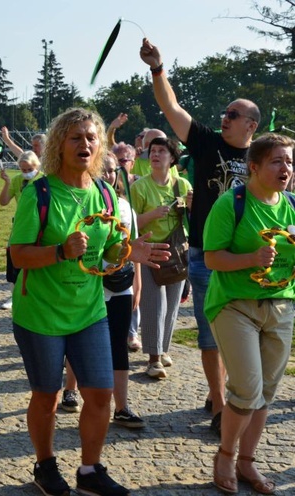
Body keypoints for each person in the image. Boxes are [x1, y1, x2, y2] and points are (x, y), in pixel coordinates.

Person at [9, 107, 167, 496]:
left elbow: (109, 250)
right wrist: (60, 251)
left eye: (91, 138)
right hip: (41, 311)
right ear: (60, 144)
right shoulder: (40, 193)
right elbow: (18, 255)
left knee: (100, 392)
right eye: (76, 137)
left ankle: (90, 471)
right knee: (46, 395)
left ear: (100, 147)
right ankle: (45, 465)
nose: (85, 144)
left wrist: (130, 252)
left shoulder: (104, 193)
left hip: (89, 311)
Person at [140, 37, 260, 434]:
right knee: (210, 333)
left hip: (250, 261)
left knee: (243, 334)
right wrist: (158, 68)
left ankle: (230, 392)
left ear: (251, 125)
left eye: (233, 114)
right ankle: (219, 403)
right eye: (224, 112)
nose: (224, 117)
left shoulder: (259, 158)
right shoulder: (206, 142)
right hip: (205, 256)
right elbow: (170, 107)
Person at [203, 133, 294, 495]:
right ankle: (225, 455)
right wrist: (251, 259)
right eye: (276, 161)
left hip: (281, 306)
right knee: (247, 388)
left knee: (267, 393)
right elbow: (212, 258)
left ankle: (247, 463)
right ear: (254, 167)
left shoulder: (291, 206)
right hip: (234, 305)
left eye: (289, 161)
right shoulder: (232, 204)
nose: (285, 168)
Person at [131, 137, 192, 379]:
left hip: (177, 249)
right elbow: (131, 223)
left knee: (172, 304)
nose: (155, 155)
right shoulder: (139, 187)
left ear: (173, 158)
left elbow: (193, 219)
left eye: (161, 151)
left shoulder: (183, 185)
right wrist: (152, 215)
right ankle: (153, 359)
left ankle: (163, 349)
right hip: (149, 250)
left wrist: (191, 207)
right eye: (152, 151)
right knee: (154, 304)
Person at [101, 152, 144, 429]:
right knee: (82, 344)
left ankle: (122, 407)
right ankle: (71, 389)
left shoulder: (126, 208)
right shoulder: (82, 203)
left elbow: (134, 247)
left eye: (111, 170)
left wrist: (136, 284)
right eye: (101, 170)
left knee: (118, 343)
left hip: (120, 285)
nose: (107, 175)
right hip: (88, 286)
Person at [0, 150, 43, 310]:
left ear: (36, 166)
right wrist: (7, 183)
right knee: (14, 260)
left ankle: (36, 295)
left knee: (36, 261)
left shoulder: (43, 179)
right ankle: (14, 295)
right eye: (23, 170)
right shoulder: (18, 180)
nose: (26, 173)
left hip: (40, 226)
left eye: (29, 169)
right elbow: (3, 202)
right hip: (20, 225)